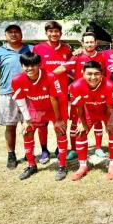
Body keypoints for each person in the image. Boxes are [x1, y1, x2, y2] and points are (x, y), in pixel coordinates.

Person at [11, 52, 67, 180]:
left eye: (33, 65)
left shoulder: (51, 76)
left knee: (61, 131)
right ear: (21, 66)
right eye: (26, 65)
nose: (29, 68)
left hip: (56, 107)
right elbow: (20, 100)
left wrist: (58, 120)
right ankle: (31, 165)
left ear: (39, 65)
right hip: (36, 108)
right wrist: (27, 119)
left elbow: (55, 99)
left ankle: (62, 166)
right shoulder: (17, 80)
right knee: (27, 131)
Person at [0, 24, 33, 169]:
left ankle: (28, 153)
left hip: (29, 94)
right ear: (5, 35)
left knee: (29, 125)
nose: (13, 34)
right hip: (7, 93)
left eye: (16, 32)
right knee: (10, 126)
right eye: (10, 32)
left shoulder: (31, 49)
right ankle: (11, 155)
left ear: (21, 35)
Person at [55, 32, 107, 159]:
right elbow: (61, 69)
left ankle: (98, 148)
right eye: (86, 42)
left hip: (97, 95)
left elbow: (104, 74)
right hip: (79, 96)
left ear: (96, 43)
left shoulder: (101, 57)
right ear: (82, 44)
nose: (89, 44)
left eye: (91, 42)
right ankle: (73, 149)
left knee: (97, 120)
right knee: (75, 122)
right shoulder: (77, 57)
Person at [69, 61, 113, 180]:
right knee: (80, 132)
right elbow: (79, 107)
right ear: (82, 73)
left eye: (96, 74)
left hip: (107, 111)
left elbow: (112, 107)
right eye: (89, 74)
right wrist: (82, 122)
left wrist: (111, 123)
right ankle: (82, 166)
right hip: (89, 111)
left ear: (102, 74)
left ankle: (112, 165)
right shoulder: (75, 86)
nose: (93, 77)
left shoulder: (110, 85)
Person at [32, 21, 72, 164]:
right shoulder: (38, 48)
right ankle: (44, 150)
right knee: (42, 123)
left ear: (60, 33)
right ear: (46, 33)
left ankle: (59, 149)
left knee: (60, 123)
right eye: (51, 31)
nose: (54, 34)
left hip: (60, 93)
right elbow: (32, 68)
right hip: (42, 93)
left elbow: (72, 64)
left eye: (56, 31)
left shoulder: (67, 49)